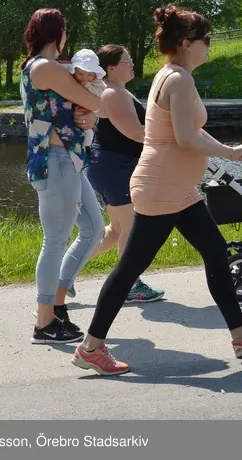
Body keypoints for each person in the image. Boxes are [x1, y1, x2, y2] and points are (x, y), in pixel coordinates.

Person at [72, 5, 242, 375]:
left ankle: (241, 335)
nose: (209, 46)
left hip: (177, 188)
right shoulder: (179, 80)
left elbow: (188, 131)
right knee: (130, 267)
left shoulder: (171, 74)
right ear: (187, 43)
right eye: (206, 40)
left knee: (215, 251)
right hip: (161, 188)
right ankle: (90, 347)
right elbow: (186, 139)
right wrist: (229, 152)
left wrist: (230, 151)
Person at [20, 8, 107, 345]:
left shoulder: (54, 69)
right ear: (57, 34)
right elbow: (93, 99)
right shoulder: (44, 67)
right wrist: (94, 111)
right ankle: (44, 323)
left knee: (93, 229)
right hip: (53, 161)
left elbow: (88, 108)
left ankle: (57, 303)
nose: (67, 36)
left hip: (70, 159)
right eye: (65, 30)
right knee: (55, 240)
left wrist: (92, 119)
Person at [82, 44, 164, 304]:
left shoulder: (116, 91)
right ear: (111, 68)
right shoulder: (113, 93)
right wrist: (172, 137)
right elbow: (135, 132)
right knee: (129, 228)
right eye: (127, 61)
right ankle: (130, 286)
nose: (132, 64)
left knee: (117, 229)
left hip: (110, 166)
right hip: (115, 166)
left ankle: (66, 270)